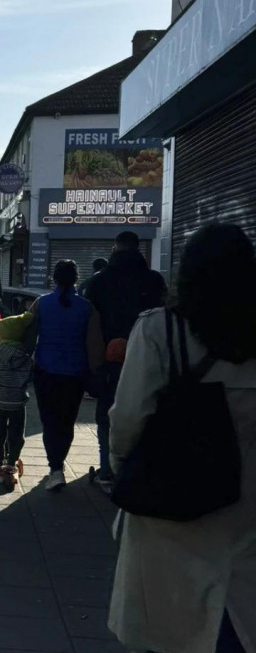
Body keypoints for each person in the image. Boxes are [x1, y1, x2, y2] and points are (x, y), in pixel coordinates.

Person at [107, 224, 256, 653]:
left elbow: (129, 418)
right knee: (233, 620)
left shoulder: (160, 330)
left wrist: (124, 471)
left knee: (168, 627)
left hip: (168, 508)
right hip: (244, 509)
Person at [84, 231, 166, 492]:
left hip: (109, 358)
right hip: (148, 357)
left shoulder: (99, 281)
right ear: (138, 247)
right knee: (146, 411)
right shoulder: (153, 280)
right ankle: (138, 470)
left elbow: (90, 325)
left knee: (108, 413)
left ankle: (107, 471)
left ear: (115, 247)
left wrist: (91, 363)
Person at [30, 260, 104, 491]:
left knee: (49, 420)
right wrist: (96, 374)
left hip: (45, 371)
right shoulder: (87, 308)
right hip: (75, 373)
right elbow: (94, 347)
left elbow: (27, 336)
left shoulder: (41, 304)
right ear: (76, 280)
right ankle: (58, 464)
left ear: (53, 278)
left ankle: (55, 469)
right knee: (66, 420)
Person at [0, 311, 35, 487]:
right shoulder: (25, 356)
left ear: (4, 335)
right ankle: (12, 462)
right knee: (16, 433)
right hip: (17, 401)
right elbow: (29, 376)